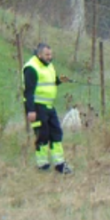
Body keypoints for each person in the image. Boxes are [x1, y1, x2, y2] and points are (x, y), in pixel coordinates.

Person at [23, 43, 72, 174]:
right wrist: (31, 110)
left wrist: (60, 80)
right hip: (37, 108)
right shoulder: (31, 68)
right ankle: (42, 165)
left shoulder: (49, 65)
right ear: (39, 54)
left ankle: (60, 164)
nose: (50, 57)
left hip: (49, 106)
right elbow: (28, 92)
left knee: (57, 133)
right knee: (42, 135)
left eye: (51, 54)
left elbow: (50, 82)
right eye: (47, 55)